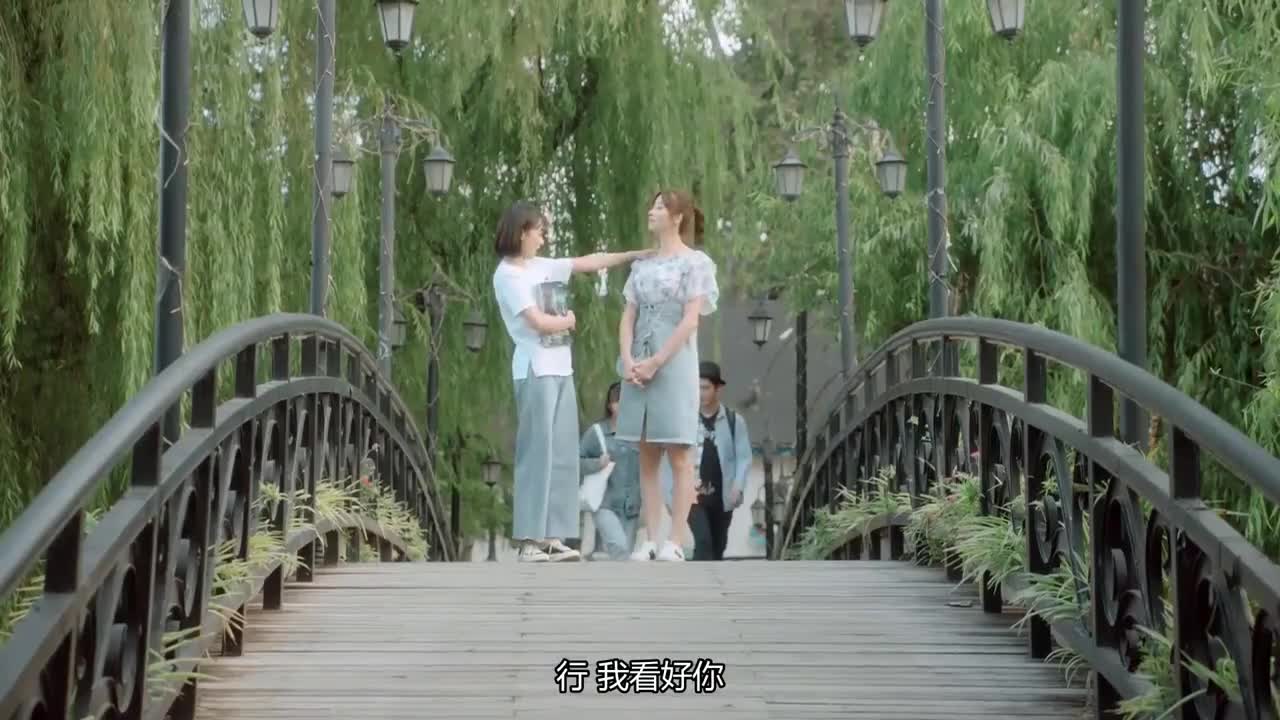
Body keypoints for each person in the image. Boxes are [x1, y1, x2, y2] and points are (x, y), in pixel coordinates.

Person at [491, 201, 650, 563]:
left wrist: (634, 255)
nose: (543, 238)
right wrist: (569, 321)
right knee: (537, 452)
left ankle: (552, 536)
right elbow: (537, 322)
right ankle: (529, 539)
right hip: (535, 369)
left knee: (563, 454)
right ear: (522, 232)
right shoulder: (508, 275)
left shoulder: (541, 266)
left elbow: (589, 262)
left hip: (561, 368)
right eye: (539, 231)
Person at [616, 190, 719, 562]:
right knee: (646, 455)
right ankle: (649, 538)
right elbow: (628, 315)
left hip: (673, 361)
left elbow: (690, 320)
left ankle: (675, 541)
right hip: (639, 360)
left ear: (678, 217)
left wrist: (657, 361)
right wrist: (628, 359)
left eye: (660, 207)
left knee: (679, 454)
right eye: (653, 205)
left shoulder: (695, 263)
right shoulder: (641, 266)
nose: (652, 211)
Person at [661, 361, 751, 560]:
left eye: (705, 388)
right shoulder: (684, 420)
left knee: (718, 548)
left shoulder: (734, 421)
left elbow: (744, 457)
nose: (700, 393)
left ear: (717, 388)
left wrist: (738, 486)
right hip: (691, 495)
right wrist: (669, 496)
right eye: (697, 387)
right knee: (703, 541)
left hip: (723, 495)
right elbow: (670, 461)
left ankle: (701, 576)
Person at [578, 382, 642, 560]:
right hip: (604, 503)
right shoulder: (597, 432)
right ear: (609, 404)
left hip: (632, 506)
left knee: (625, 554)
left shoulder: (640, 434)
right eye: (617, 401)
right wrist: (597, 463)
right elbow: (577, 461)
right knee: (619, 548)